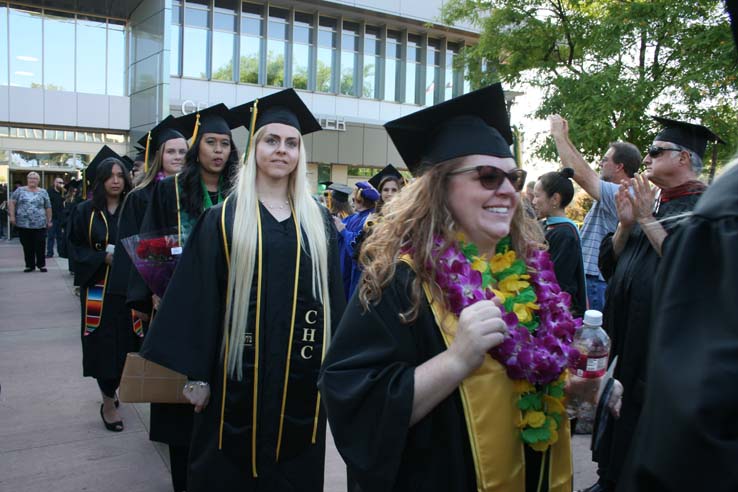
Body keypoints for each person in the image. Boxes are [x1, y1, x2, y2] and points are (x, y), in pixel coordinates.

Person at [319, 83, 578, 492]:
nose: (508, 190)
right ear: (439, 186)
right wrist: (457, 359)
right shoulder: (399, 280)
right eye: (488, 176)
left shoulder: (532, 276)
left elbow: (528, 378)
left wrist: (570, 382)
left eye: (513, 177)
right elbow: (355, 404)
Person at [139, 88, 346, 491]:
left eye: (291, 143)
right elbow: (199, 300)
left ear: (300, 154)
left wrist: (335, 372)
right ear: (255, 148)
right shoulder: (223, 219)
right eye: (271, 140)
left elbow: (334, 301)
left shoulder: (318, 224)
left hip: (299, 384)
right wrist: (198, 376)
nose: (281, 150)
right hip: (233, 381)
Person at [587, 118, 722, 492]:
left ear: (682, 158)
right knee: (619, 408)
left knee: (644, 418)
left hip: (662, 346)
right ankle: (608, 478)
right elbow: (611, 266)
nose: (646, 157)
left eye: (655, 151)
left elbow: (690, 266)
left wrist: (646, 219)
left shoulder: (708, 212)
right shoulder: (655, 206)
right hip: (628, 337)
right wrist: (626, 226)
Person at [115, 115, 191, 492]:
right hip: (159, 293)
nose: (177, 157)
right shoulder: (144, 196)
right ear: (158, 156)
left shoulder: (195, 192)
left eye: (183, 151)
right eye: (171, 151)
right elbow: (136, 247)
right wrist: (148, 290)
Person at [127, 104, 239, 314]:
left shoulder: (239, 191)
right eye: (210, 142)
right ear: (197, 148)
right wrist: (155, 289)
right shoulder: (171, 188)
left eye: (225, 144)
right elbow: (152, 239)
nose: (218, 150)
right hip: (180, 290)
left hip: (230, 291)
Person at [67, 149, 138, 433]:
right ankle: (108, 402)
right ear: (100, 180)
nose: (116, 181)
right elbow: (71, 248)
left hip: (129, 291)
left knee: (128, 347)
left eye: (121, 175)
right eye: (110, 176)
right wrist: (101, 258)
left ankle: (114, 387)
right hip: (98, 290)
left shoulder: (134, 207)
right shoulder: (86, 211)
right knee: (102, 348)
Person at [549, 116, 642, 312]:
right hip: (594, 279)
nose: (600, 163)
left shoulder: (621, 193)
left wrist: (558, 136)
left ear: (619, 166)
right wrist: (566, 139)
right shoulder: (621, 191)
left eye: (605, 160)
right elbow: (583, 169)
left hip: (596, 282)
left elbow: (580, 174)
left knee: (593, 340)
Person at [532, 168, 586, 317]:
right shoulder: (548, 226)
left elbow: (559, 281)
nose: (533, 201)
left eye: (537, 196)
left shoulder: (565, 234)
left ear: (555, 199)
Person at [334, 181, 379, 300]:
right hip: (345, 264)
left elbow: (359, 245)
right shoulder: (355, 216)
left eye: (356, 200)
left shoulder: (370, 219)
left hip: (356, 269)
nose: (353, 203)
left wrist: (343, 231)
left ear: (363, 201)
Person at [8, 171, 52, 272]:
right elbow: (12, 203)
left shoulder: (43, 192)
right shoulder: (20, 190)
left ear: (38, 181)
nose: (32, 180)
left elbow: (48, 207)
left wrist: (49, 220)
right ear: (27, 180)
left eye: (35, 178)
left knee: (40, 244)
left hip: (40, 224)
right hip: (23, 224)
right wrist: (12, 216)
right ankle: (29, 265)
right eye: (30, 178)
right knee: (27, 245)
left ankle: (41, 265)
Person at [46, 176, 65, 257]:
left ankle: (60, 253)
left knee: (60, 237)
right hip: (52, 218)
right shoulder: (49, 192)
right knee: (51, 236)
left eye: (62, 183)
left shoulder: (63, 193)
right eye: (59, 182)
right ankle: (50, 253)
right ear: (54, 183)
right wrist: (48, 219)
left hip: (60, 218)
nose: (61, 184)